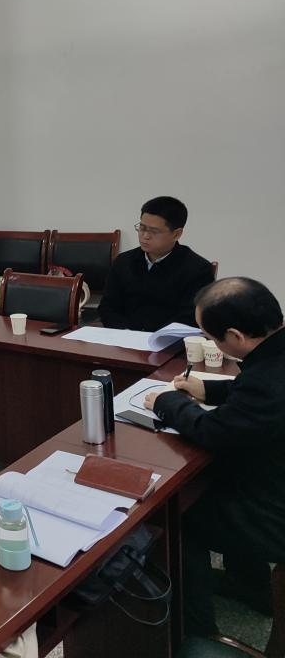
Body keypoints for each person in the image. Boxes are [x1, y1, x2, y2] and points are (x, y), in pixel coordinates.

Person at [144, 278, 285, 636]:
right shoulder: (274, 354)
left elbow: (214, 432)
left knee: (179, 517)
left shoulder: (267, 382)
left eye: (211, 337)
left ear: (235, 336)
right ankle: (249, 586)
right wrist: (206, 388)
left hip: (276, 514)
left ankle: (195, 633)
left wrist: (167, 401)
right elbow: (254, 391)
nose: (210, 343)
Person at [99, 196, 214, 331]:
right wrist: (125, 332)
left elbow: (190, 317)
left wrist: (156, 337)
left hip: (169, 340)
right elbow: (108, 307)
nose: (145, 236)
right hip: (123, 337)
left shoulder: (198, 270)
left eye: (154, 231)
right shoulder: (123, 261)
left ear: (176, 234)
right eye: (142, 228)